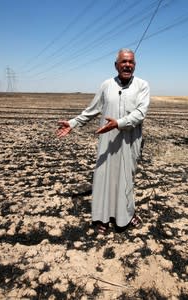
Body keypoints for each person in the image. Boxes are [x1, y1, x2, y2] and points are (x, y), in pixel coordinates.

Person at [56, 48, 150, 234]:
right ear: (116, 65)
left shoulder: (142, 85)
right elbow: (92, 110)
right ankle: (102, 218)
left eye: (130, 62)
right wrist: (73, 123)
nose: (127, 65)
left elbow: (140, 114)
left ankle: (126, 216)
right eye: (123, 61)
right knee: (103, 178)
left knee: (125, 179)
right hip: (107, 141)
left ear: (135, 65)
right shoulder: (106, 85)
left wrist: (118, 123)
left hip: (129, 141)